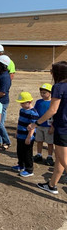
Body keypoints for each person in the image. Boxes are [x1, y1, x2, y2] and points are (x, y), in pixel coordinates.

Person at [28, 61, 67, 195]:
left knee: (63, 159)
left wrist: (35, 124)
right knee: (60, 158)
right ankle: (51, 185)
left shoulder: (58, 87)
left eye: (52, 70)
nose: (50, 73)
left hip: (63, 127)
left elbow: (53, 110)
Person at [12, 92, 39, 177]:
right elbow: (19, 122)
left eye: (23, 103)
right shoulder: (22, 110)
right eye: (21, 103)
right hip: (20, 135)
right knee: (19, 151)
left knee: (27, 153)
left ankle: (29, 169)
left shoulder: (33, 113)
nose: (21, 105)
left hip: (27, 137)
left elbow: (32, 127)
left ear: (29, 102)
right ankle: (21, 165)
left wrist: (29, 137)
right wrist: (17, 131)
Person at [33, 83, 54, 166]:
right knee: (39, 140)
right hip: (39, 125)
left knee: (49, 142)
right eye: (41, 92)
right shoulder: (39, 102)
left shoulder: (53, 103)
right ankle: (39, 154)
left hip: (48, 126)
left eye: (44, 92)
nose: (42, 94)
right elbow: (35, 112)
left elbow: (54, 115)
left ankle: (49, 156)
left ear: (50, 93)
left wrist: (53, 126)